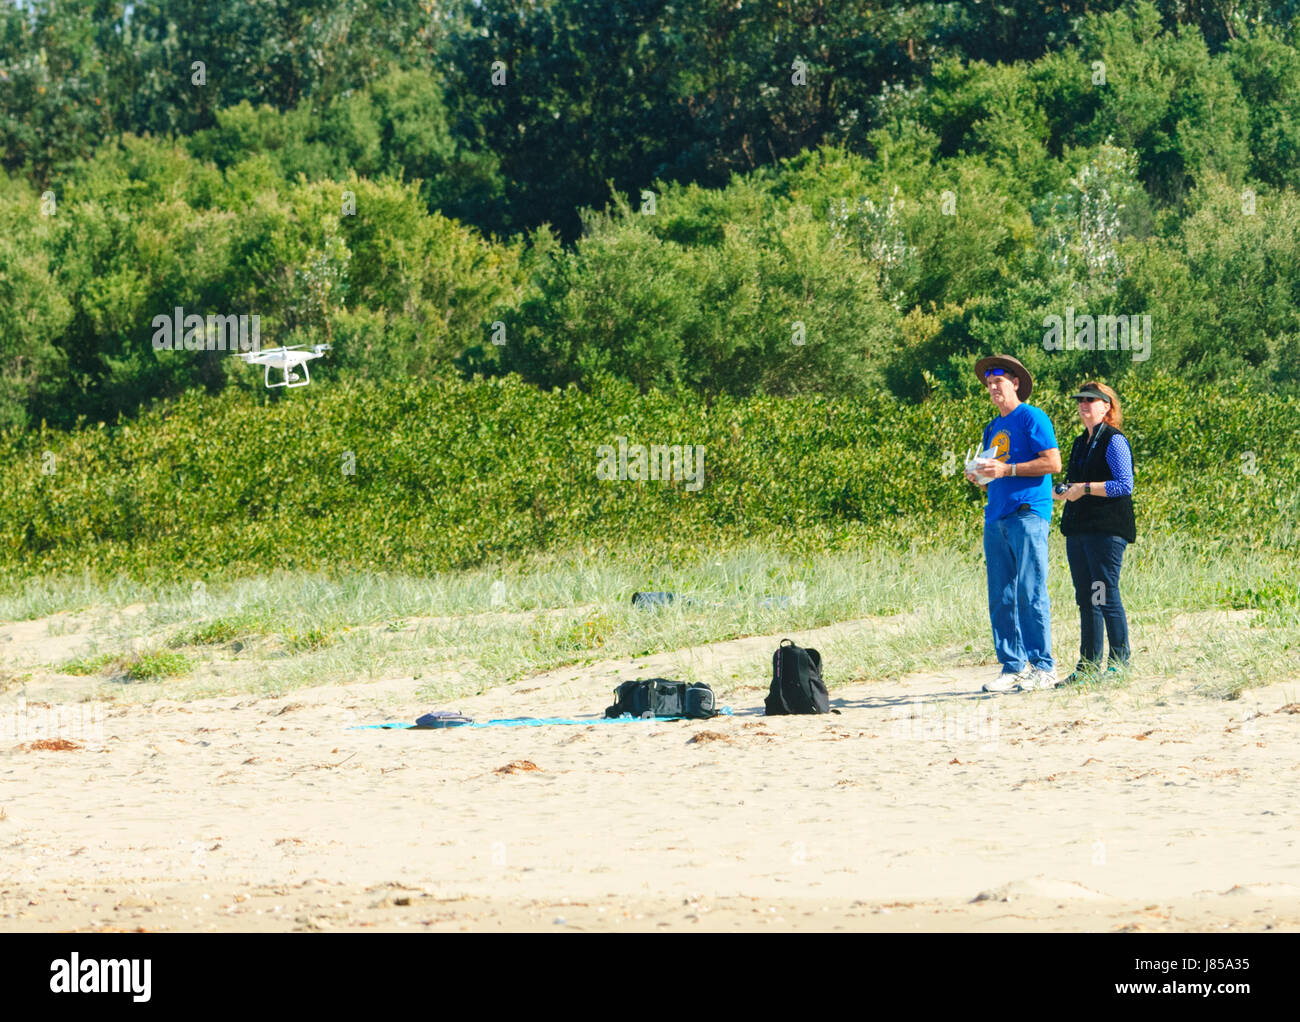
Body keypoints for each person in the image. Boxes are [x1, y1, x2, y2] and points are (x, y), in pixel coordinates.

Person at [965, 355, 1062, 693]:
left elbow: (1053, 462)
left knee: (1030, 590)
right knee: (1001, 595)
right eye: (989, 384)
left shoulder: (1032, 417)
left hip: (1028, 512)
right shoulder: (992, 426)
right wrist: (978, 474)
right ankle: (1013, 667)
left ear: (1015, 383)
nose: (993, 388)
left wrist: (1009, 470)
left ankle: (1043, 667)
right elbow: (991, 470)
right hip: (996, 515)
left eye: (999, 382)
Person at [1052, 381, 1135, 685]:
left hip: (1106, 529)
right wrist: (1065, 490)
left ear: (1107, 406)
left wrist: (1084, 489)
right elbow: (1076, 482)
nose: (1084, 404)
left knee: (1104, 593)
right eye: (1081, 400)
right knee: (1087, 598)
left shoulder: (1113, 440)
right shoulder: (1080, 442)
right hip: (1080, 530)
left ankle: (1119, 662)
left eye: (1091, 400)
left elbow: (1124, 484)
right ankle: (1087, 666)